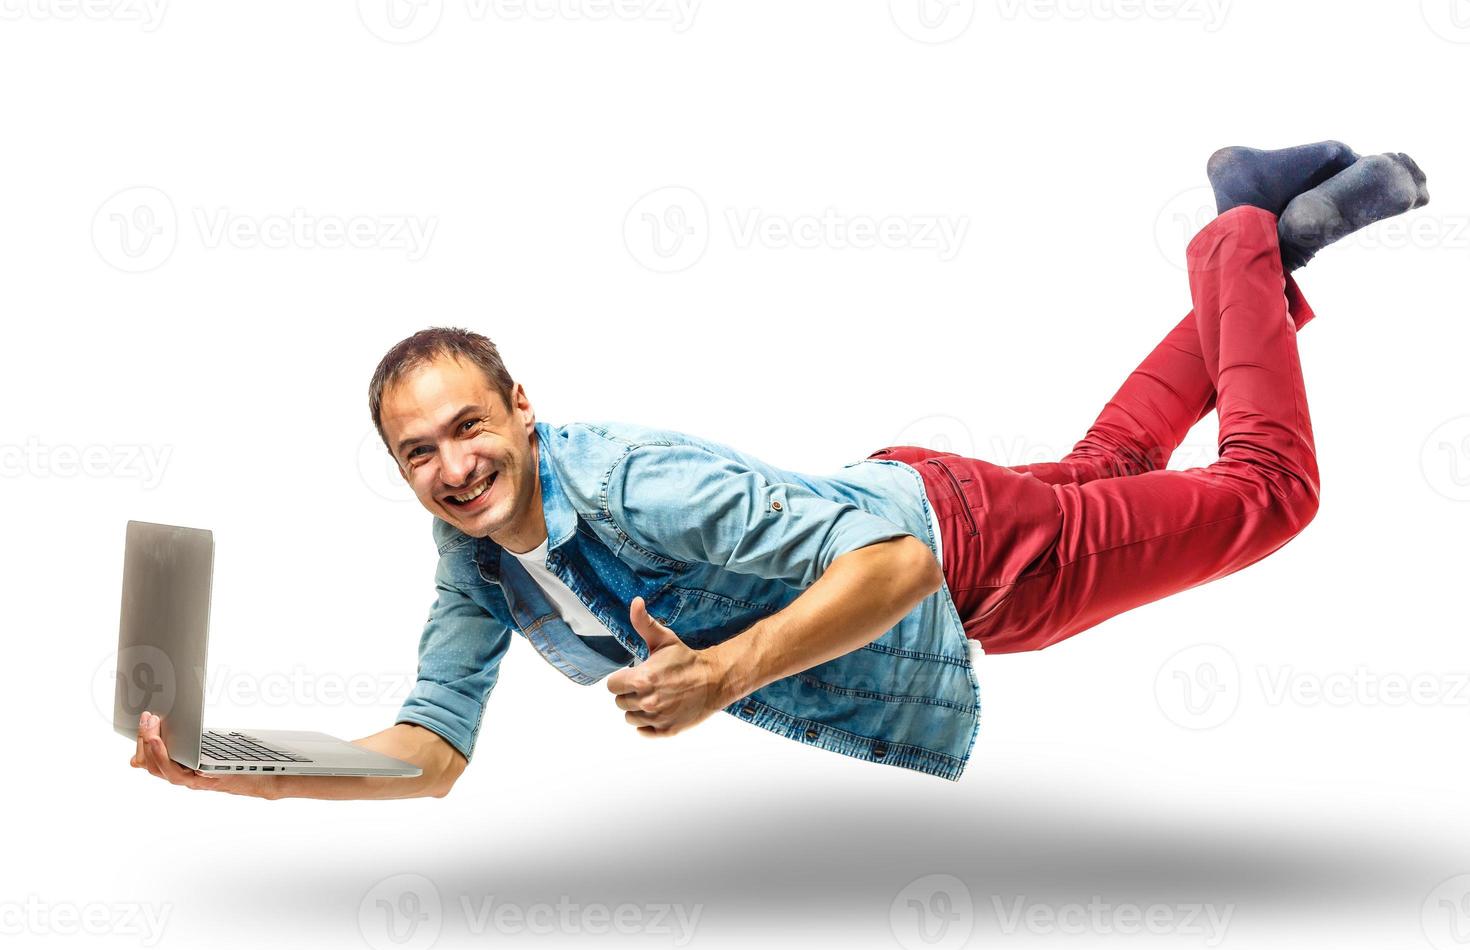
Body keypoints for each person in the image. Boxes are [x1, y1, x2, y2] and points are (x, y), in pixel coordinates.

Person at [129, 142, 1429, 795]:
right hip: (915, 492)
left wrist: (728, 675)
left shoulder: (635, 482)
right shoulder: (476, 558)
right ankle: (1267, 256)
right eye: (418, 453)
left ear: (523, 409)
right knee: (1112, 461)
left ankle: (1242, 232)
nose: (453, 466)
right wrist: (230, 758)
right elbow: (428, 751)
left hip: (961, 558)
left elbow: (898, 566)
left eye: (469, 428)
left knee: (1268, 492)